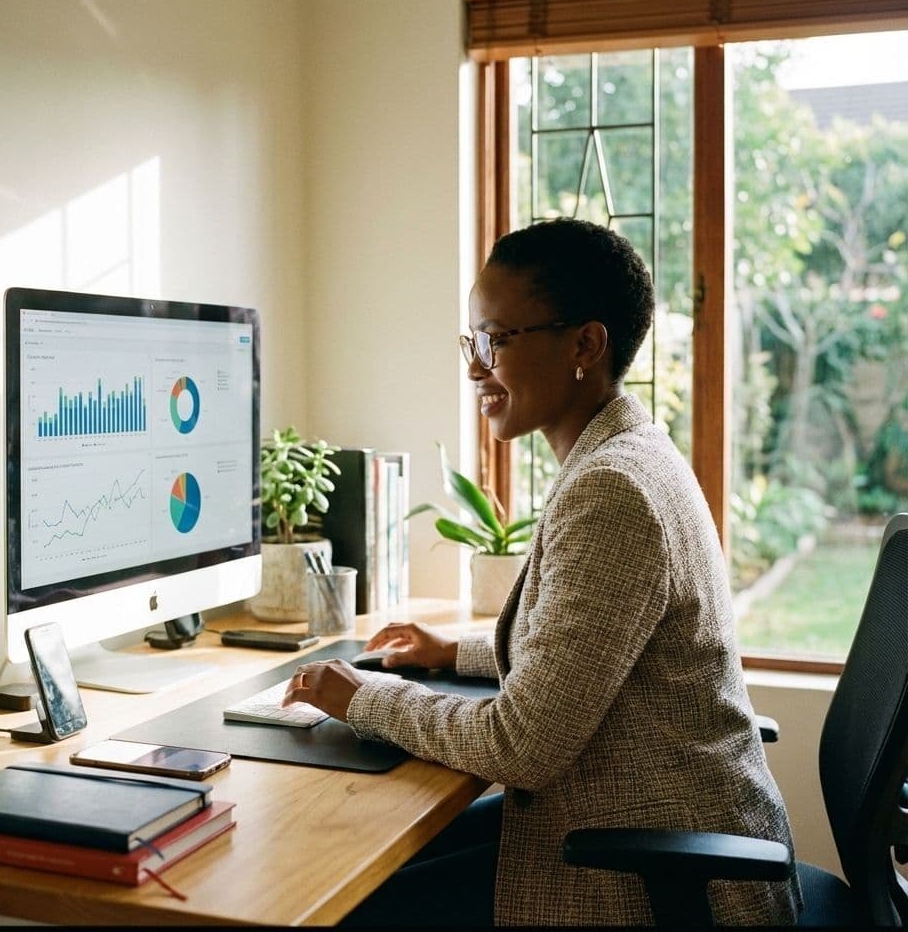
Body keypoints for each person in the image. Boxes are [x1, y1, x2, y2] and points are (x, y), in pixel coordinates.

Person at [283, 217, 802, 926]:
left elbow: (520, 745)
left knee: (346, 904)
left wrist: (362, 697)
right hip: (623, 829)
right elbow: (583, 653)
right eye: (473, 340)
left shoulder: (613, 490)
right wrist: (452, 652)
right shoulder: (626, 450)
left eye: (494, 340)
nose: (474, 366)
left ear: (585, 345)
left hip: (657, 881)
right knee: (363, 873)